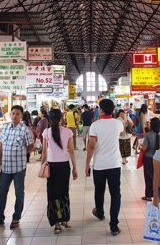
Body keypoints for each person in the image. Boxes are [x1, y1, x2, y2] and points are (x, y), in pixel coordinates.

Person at [0, 105, 34, 229]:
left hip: (19, 167)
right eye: (13, 113)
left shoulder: (25, 130)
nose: (14, 116)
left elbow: (31, 146)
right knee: (1, 192)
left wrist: (23, 154)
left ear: (21, 116)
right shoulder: (5, 128)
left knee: (19, 193)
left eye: (17, 114)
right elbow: (1, 146)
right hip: (6, 167)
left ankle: (16, 218)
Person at [85, 99, 124, 236]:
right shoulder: (118, 124)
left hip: (99, 165)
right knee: (115, 194)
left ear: (100, 110)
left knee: (99, 190)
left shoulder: (95, 126)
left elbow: (91, 146)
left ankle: (100, 213)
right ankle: (114, 225)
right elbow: (119, 134)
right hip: (114, 164)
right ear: (113, 110)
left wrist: (87, 165)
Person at [41, 109, 78, 234]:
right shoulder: (68, 132)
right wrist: (75, 168)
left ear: (50, 120)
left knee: (53, 194)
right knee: (64, 192)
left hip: (51, 166)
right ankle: (65, 219)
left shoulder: (46, 132)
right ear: (62, 118)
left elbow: (44, 152)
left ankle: (56, 223)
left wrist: (42, 166)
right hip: (64, 166)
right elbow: (71, 151)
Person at [141, 117, 160, 201]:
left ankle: (148, 195)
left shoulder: (148, 135)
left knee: (148, 176)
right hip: (158, 159)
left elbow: (145, 147)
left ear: (152, 125)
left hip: (149, 158)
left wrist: (141, 146)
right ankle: (157, 194)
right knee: (157, 176)